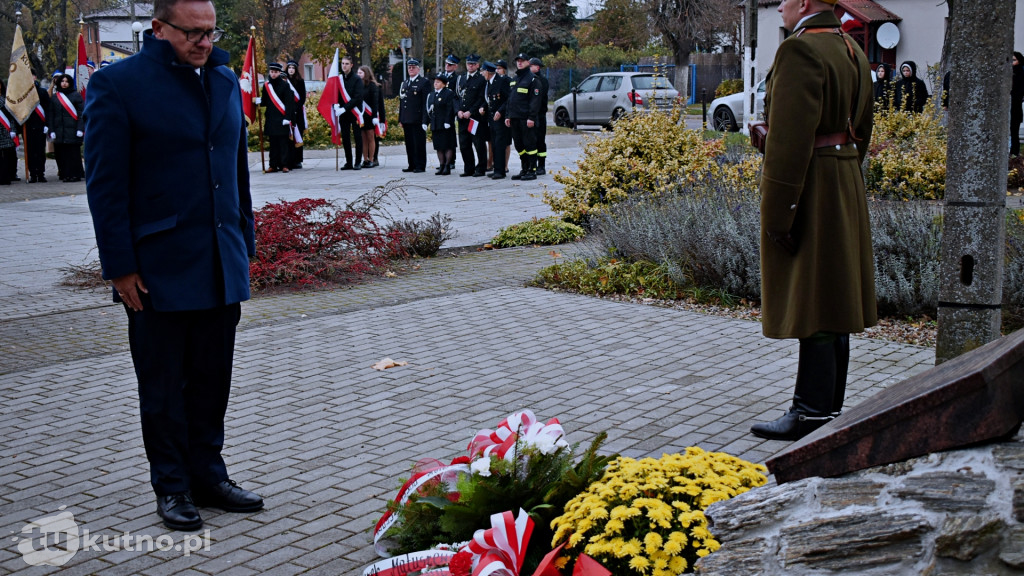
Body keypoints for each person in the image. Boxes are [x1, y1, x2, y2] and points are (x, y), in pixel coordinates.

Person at [84, 0, 263, 531]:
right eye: (191, 33)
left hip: (219, 259)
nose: (204, 42)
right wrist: (119, 266)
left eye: (210, 32)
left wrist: (243, 244)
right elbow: (106, 185)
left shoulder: (225, 81)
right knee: (163, 386)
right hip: (156, 267)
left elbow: (235, 172)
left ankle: (208, 474)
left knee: (212, 380)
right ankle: (173, 486)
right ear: (158, 28)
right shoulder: (119, 85)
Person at [750, 0, 875, 441]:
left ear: (803, 3)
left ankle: (810, 412)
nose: (780, 7)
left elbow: (788, 144)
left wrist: (778, 215)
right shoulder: (851, 48)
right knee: (834, 297)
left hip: (811, 183)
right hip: (842, 177)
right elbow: (865, 127)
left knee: (816, 302)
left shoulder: (800, 50)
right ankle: (826, 406)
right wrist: (842, 170)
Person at [505, 53, 541, 181]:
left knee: (529, 144)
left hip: (526, 119)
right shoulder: (515, 79)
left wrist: (531, 117)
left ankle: (532, 169)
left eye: (522, 61)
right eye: (518, 61)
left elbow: (535, 101)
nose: (519, 63)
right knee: (519, 145)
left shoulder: (532, 79)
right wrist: (508, 115)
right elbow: (510, 99)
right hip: (514, 118)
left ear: (528, 63)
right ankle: (524, 168)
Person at [455, 54, 488, 177]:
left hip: (474, 118)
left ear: (478, 65)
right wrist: (458, 110)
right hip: (462, 117)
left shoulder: (481, 79)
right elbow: (456, 97)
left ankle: (481, 168)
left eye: (473, 64)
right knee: (464, 144)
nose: (471, 66)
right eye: (469, 63)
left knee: (478, 143)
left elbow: (481, 98)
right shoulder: (461, 78)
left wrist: (471, 111)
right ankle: (468, 168)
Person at [49, 73, 84, 182]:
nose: (64, 83)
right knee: (62, 154)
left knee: (73, 154)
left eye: (66, 81)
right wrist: (52, 130)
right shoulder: (55, 97)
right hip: (60, 131)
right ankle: (65, 174)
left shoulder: (76, 95)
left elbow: (81, 113)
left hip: (73, 130)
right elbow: (51, 114)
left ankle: (75, 175)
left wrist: (80, 128)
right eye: (62, 81)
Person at [260, 62, 295, 173]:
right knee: (273, 143)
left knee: (283, 143)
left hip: (282, 118)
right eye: (271, 72)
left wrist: (287, 118)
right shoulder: (266, 86)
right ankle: (273, 165)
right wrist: (258, 101)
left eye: (275, 72)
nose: (273, 74)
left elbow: (289, 103)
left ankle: (285, 165)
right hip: (271, 118)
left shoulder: (285, 85)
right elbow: (265, 101)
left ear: (279, 73)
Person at [333, 55, 364, 170]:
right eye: (342, 63)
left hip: (354, 112)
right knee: (345, 137)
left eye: (346, 64)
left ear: (351, 65)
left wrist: (344, 108)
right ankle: (349, 162)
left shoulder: (357, 79)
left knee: (357, 137)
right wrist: (335, 104)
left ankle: (357, 162)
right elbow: (336, 94)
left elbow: (357, 98)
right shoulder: (339, 79)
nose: (344, 66)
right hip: (343, 113)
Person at [399, 59, 429, 173]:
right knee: (409, 144)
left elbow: (425, 103)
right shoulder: (405, 83)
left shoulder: (423, 82)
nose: (411, 69)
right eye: (409, 67)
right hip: (407, 118)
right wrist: (401, 118)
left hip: (418, 118)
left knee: (419, 143)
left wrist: (425, 120)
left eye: (413, 67)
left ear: (418, 69)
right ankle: (411, 164)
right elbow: (402, 102)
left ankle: (420, 165)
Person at [483, 61, 511, 179]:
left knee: (500, 144)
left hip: (500, 118)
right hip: (492, 118)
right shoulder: (489, 83)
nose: (482, 73)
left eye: (483, 71)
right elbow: (489, 100)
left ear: (488, 72)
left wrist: (500, 111)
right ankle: (496, 169)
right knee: (494, 143)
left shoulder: (502, 81)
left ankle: (500, 171)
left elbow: (508, 99)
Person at [428, 74, 456, 175]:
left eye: (438, 82)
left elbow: (450, 108)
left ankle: (447, 166)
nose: (435, 83)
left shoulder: (448, 93)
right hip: (436, 124)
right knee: (439, 146)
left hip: (445, 123)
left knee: (447, 145)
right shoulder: (433, 94)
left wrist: (448, 121)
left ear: (444, 84)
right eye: (435, 81)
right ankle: (442, 165)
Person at [25, 72, 51, 183]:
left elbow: (48, 109)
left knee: (40, 151)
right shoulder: (23, 94)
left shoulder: (42, 92)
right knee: (30, 152)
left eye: (32, 75)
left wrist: (47, 125)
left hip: (41, 125)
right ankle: (32, 174)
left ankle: (41, 173)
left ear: (35, 77)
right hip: (29, 126)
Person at [358, 65, 383, 168]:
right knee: (363, 139)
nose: (358, 75)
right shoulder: (359, 85)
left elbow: (375, 102)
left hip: (370, 116)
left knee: (370, 137)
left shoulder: (373, 86)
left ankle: (372, 159)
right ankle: (365, 159)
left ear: (366, 73)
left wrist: (374, 117)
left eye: (361, 73)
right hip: (361, 116)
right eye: (358, 73)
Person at [528, 57, 550, 175]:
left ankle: (541, 165)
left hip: (540, 115)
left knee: (540, 140)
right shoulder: (529, 79)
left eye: (532, 66)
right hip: (531, 115)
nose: (530, 67)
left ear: (538, 67)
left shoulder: (542, 80)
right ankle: (533, 164)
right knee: (532, 140)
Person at [285, 60, 306, 169]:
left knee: (298, 135)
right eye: (289, 68)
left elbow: (302, 98)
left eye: (293, 68)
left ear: (296, 70)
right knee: (289, 135)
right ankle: (290, 159)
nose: (291, 70)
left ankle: (298, 160)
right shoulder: (284, 81)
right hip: (288, 112)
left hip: (298, 112)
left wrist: (296, 109)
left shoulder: (300, 81)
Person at [1011, 52, 1024, 156]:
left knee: (1014, 132)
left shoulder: (1021, 74)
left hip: (1015, 107)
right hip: (1008, 106)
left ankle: (1014, 154)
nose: (1011, 63)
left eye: (1014, 60)